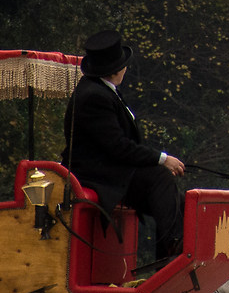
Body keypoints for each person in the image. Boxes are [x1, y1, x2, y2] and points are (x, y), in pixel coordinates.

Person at [62, 29, 186, 264]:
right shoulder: (94, 96)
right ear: (117, 69)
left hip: (113, 169)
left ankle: (171, 257)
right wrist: (161, 159)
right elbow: (118, 146)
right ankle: (172, 247)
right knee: (159, 177)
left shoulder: (104, 91)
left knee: (179, 201)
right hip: (98, 174)